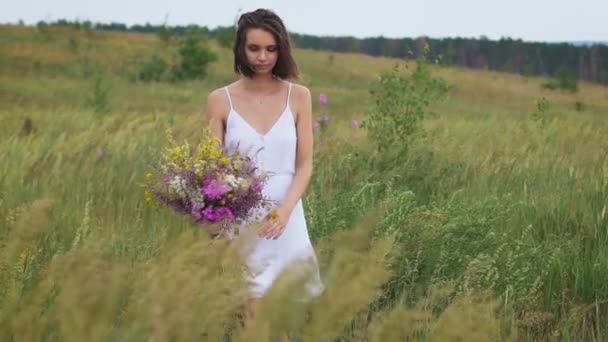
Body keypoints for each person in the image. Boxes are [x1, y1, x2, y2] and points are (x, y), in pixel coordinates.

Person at [204, 8, 324, 340]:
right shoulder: (220, 100)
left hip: (285, 220)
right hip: (241, 222)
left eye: (271, 49)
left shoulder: (298, 96)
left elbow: (305, 165)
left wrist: (285, 211)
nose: (262, 57)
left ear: (281, 49)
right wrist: (218, 226)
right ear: (240, 48)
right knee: (255, 320)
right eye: (254, 48)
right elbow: (213, 171)